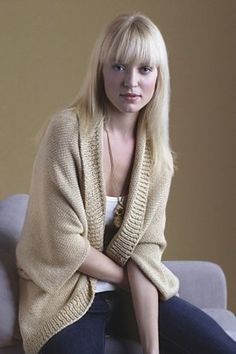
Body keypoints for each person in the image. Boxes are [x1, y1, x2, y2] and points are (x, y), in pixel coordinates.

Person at [16, 13, 236, 354]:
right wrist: (132, 279)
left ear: (159, 77)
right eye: (118, 66)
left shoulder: (158, 158)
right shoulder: (66, 132)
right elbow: (65, 244)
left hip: (131, 294)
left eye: (144, 69)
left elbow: (145, 253)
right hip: (65, 293)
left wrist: (152, 349)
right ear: (100, 69)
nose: (130, 82)